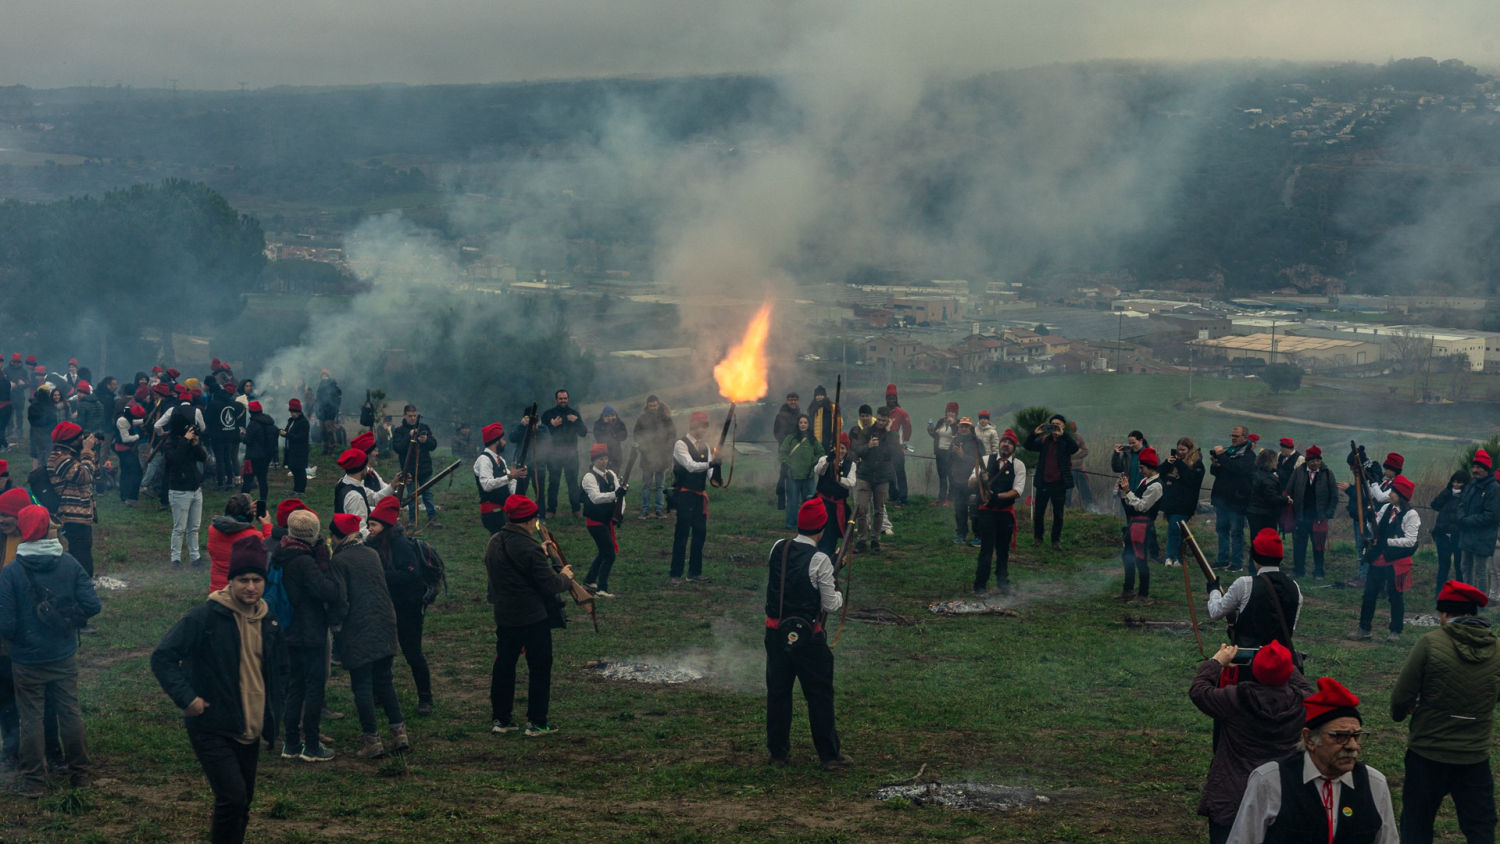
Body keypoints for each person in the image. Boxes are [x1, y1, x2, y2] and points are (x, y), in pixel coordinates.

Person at [150, 536, 284, 843]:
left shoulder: (269, 621)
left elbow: (280, 671)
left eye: (257, 580)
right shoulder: (205, 618)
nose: (250, 587)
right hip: (212, 725)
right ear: (231, 581)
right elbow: (163, 657)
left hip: (249, 727)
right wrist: (188, 699)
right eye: (243, 580)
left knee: (242, 803)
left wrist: (277, 709)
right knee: (232, 799)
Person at [0, 504, 100, 796]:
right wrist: (68, 618)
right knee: (70, 713)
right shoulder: (69, 563)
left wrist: (23, 638)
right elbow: (93, 605)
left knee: (30, 717)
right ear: (48, 528)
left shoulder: (11, 572)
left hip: (26, 659)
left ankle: (34, 782)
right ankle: (80, 774)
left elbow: (4, 625)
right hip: (63, 654)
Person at [1391, 580, 1500, 844]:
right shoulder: (1497, 648)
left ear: (1445, 614)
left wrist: (1401, 713)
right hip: (1474, 756)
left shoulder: (1430, 643)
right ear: (1473, 613)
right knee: (1480, 828)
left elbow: (1402, 696)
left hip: (1428, 751)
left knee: (1417, 823)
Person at [1227, 676, 1397, 844]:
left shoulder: (1374, 784)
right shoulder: (1270, 781)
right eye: (1340, 736)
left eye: (1357, 736)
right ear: (1309, 739)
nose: (1352, 746)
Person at [1189, 640, 1313, 844]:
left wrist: (1216, 662)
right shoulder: (1303, 703)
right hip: (1283, 796)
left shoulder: (1235, 698)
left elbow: (1199, 691)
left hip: (1233, 797)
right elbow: (1305, 687)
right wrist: (1281, 663)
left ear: (1255, 669)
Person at [764, 498, 850, 770]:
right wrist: (835, 581)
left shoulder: (778, 547)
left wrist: (830, 567)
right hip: (809, 639)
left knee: (778, 693)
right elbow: (831, 605)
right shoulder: (820, 560)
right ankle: (829, 755)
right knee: (819, 695)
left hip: (776, 633)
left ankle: (778, 753)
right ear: (821, 528)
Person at [486, 496, 572, 736]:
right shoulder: (529, 548)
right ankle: (538, 722)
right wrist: (565, 575)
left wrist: (540, 555)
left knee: (504, 666)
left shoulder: (494, 541)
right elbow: (551, 584)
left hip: (504, 614)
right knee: (539, 668)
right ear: (529, 521)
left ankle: (501, 719)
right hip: (532, 618)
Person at [327, 514, 408, 760]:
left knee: (362, 686)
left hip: (358, 628)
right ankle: (399, 733)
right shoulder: (371, 554)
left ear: (338, 536)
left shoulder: (339, 561)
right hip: (385, 623)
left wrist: (334, 624)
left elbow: (341, 600)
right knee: (384, 681)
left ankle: (372, 741)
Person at [274, 509, 342, 763]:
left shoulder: (281, 553)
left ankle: (291, 743)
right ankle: (311, 745)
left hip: (288, 630)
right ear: (312, 534)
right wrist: (325, 566)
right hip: (309, 631)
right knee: (313, 689)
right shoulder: (304, 562)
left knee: (295, 687)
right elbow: (328, 591)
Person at [365, 496, 435, 717]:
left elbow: (410, 576)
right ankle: (379, 693)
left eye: (373, 524)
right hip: (385, 607)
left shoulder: (401, 546)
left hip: (408, 609)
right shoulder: (373, 544)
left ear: (385, 526)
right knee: (380, 653)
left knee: (413, 653)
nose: (370, 528)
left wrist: (380, 575)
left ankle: (425, 698)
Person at [1350, 473, 1421, 642]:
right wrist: (1368, 518)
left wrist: (1387, 541)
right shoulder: (1385, 508)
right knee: (1369, 594)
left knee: (1395, 596)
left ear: (1401, 496)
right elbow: (1375, 527)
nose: (1389, 494)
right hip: (1379, 559)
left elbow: (1411, 541)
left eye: (1393, 492)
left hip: (1397, 562)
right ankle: (1364, 628)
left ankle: (1395, 631)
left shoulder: (1412, 515)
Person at [1208, 529, 1303, 654]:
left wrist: (1214, 590)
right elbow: (1290, 627)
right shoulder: (1295, 588)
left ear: (1255, 557)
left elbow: (1216, 612)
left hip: (1247, 664)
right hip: (1280, 663)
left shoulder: (1244, 584)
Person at [973, 429, 1026, 596]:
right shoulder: (985, 460)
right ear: (1000, 443)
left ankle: (1003, 585)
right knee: (986, 550)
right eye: (1004, 441)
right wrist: (981, 479)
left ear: (1013, 448)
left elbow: (1017, 491)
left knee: (1003, 551)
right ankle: (980, 586)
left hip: (1004, 514)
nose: (1006, 444)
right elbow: (970, 482)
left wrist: (996, 496)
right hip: (987, 513)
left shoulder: (1018, 465)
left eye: (1010, 443)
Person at [669, 411, 717, 584]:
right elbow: (690, 466)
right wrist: (710, 464)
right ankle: (675, 573)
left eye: (705, 426)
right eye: (700, 426)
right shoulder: (680, 444)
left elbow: (710, 473)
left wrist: (716, 473)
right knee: (682, 535)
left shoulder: (706, 446)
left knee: (700, 533)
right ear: (693, 426)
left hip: (699, 496)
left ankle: (694, 573)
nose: (703, 430)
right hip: (684, 494)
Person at [46, 422, 98, 577]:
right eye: (80, 438)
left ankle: (83, 583)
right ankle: (81, 585)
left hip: (80, 513)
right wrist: (87, 451)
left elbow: (95, 475)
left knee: (84, 551)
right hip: (71, 514)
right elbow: (84, 476)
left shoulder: (71, 456)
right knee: (80, 555)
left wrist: (91, 452)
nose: (83, 440)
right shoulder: (58, 458)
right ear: (72, 440)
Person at [1025, 413, 1079, 551]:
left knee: (1058, 514)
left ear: (1063, 426)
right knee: (1038, 513)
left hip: (1059, 483)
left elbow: (1074, 449)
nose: (1055, 426)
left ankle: (1055, 540)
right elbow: (1028, 445)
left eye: (1058, 424)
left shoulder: (1066, 441)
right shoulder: (1044, 440)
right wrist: (1034, 433)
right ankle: (1038, 538)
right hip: (1043, 482)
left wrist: (1063, 435)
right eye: (1053, 424)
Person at [1116, 447, 1163, 601]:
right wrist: (1124, 491)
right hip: (1134, 524)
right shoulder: (1145, 480)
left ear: (1150, 467)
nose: (1140, 470)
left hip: (1144, 526)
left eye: (1142, 467)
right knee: (1127, 557)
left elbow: (1143, 506)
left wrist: (1128, 491)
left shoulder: (1156, 486)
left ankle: (1143, 594)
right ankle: (1128, 590)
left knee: (1140, 559)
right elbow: (1133, 500)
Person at [165, 412, 209, 569]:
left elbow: (203, 458)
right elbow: (175, 460)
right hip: (179, 490)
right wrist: (185, 440)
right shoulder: (170, 442)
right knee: (179, 528)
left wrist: (195, 444)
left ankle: (195, 557)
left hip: (195, 488)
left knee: (194, 527)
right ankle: (175, 559)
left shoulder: (190, 441)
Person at [580, 444, 625, 597]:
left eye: (605, 458)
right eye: (600, 459)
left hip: (607, 520)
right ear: (593, 461)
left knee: (603, 552)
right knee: (609, 554)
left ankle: (590, 580)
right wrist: (615, 495)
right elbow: (596, 498)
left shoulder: (611, 474)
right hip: (595, 521)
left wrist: (620, 514)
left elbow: (621, 496)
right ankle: (601, 589)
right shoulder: (589, 477)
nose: (604, 461)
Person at [1287, 445, 1337, 580]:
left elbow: (1334, 496)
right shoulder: (1298, 472)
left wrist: (1328, 513)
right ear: (1307, 461)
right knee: (1299, 546)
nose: (1316, 463)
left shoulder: (1327, 473)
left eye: (1318, 460)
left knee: (1318, 547)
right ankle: (1299, 571)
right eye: (1313, 460)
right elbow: (1289, 490)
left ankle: (1319, 572)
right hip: (1301, 517)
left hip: (1318, 518)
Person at [849, 405, 895, 553]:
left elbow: (895, 452)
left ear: (888, 420)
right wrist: (868, 446)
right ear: (877, 417)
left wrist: (888, 434)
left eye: (884, 420)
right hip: (865, 475)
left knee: (879, 510)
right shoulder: (866, 432)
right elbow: (857, 451)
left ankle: (875, 540)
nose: (881, 422)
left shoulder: (891, 435)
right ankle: (862, 540)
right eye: (879, 419)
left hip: (882, 477)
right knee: (861, 508)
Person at [1210, 425, 1255, 572]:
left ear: (1245, 438)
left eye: (1236, 436)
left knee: (1236, 532)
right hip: (1222, 498)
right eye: (1232, 435)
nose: (1233, 438)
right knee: (1222, 530)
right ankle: (1222, 560)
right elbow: (1217, 472)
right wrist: (1216, 464)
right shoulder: (1229, 452)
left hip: (1237, 501)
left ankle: (1237, 563)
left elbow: (1238, 469)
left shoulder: (1249, 456)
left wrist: (1222, 457)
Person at [207, 494, 273, 593]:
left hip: (216, 590)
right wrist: (267, 526)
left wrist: (243, 508)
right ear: (247, 514)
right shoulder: (253, 536)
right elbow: (269, 552)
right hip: (239, 593)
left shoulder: (213, 529)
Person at [1457, 448, 1500, 599]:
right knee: (1465, 567)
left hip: (1483, 536)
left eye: (1478, 467)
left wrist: (1468, 521)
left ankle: (1480, 602)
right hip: (1467, 534)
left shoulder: (1494, 488)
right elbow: (1462, 503)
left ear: (1486, 469)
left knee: (1480, 571)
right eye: (1474, 467)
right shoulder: (1472, 485)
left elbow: (1492, 515)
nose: (1474, 470)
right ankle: (1468, 598)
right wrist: (1461, 517)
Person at [537, 390, 587, 519]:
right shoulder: (548, 414)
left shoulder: (574, 414)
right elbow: (542, 435)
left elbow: (583, 432)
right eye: (560, 398)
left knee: (573, 483)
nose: (563, 400)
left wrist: (576, 421)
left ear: (568, 399)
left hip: (571, 454)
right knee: (553, 483)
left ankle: (576, 510)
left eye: (565, 398)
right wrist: (551, 425)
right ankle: (551, 510)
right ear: (556, 400)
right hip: (554, 455)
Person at [1160, 437, 1205, 568]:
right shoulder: (1173, 462)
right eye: (1178, 449)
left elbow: (1191, 480)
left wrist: (1179, 463)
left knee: (1174, 529)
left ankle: (1170, 556)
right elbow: (1159, 474)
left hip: (1185, 504)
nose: (1180, 452)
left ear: (1190, 449)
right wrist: (1167, 464)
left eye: (1183, 450)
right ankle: (1178, 558)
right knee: (1179, 532)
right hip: (1171, 502)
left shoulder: (1197, 465)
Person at [392, 404, 440, 526]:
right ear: (404, 416)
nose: (413, 418)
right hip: (409, 470)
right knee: (412, 497)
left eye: (414, 416)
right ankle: (413, 521)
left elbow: (433, 445)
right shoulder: (399, 431)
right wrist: (409, 436)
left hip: (425, 468)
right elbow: (398, 448)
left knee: (428, 495)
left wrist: (426, 440)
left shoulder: (424, 427)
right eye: (410, 416)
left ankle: (432, 519)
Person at [474, 422, 524, 535]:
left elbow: (510, 482)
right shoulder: (484, 460)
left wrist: (517, 480)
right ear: (496, 441)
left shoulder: (501, 460)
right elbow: (486, 485)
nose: (505, 442)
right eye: (503, 439)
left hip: (503, 510)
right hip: (492, 512)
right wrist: (510, 476)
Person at [812, 433, 857, 558]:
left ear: (846, 450)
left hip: (837, 505)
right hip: (822, 502)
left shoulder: (851, 465)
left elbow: (852, 482)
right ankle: (816, 552)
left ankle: (828, 555)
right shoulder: (825, 459)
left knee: (831, 532)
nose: (840, 451)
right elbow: (818, 471)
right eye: (838, 447)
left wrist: (840, 480)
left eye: (843, 448)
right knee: (819, 528)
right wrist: (828, 460)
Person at [333, 447, 395, 537]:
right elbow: (360, 531)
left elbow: (374, 498)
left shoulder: (344, 482)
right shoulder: (355, 497)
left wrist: (393, 485)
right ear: (362, 468)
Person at [632, 396, 674, 519]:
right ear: (647, 405)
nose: (653, 408)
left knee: (660, 486)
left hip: (662, 456)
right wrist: (643, 447)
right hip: (647, 456)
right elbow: (636, 434)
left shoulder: (666, 418)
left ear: (658, 404)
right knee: (646, 485)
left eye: (655, 405)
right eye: (651, 406)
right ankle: (645, 509)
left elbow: (672, 434)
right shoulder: (642, 419)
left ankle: (659, 509)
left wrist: (667, 449)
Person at [1429, 470, 1468, 593]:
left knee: (1459, 567)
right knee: (1443, 567)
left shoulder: (1467, 497)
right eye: (1454, 482)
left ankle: (1460, 594)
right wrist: (1446, 492)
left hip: (1459, 537)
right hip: (1443, 535)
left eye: (1459, 482)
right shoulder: (1447, 494)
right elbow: (1434, 505)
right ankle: (1439, 594)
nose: (1456, 485)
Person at [779, 415, 819, 531]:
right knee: (792, 501)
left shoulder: (812, 439)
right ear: (797, 424)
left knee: (809, 502)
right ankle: (791, 524)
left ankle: (808, 524)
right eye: (801, 422)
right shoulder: (790, 439)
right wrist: (789, 464)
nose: (803, 425)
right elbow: (782, 453)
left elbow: (820, 452)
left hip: (808, 475)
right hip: (793, 475)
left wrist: (813, 462)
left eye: (805, 422)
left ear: (809, 424)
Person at [946, 416, 981, 546]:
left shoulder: (977, 442)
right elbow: (948, 459)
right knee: (959, 509)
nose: (964, 428)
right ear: (958, 427)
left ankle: (978, 535)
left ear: (971, 428)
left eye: (967, 426)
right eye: (962, 426)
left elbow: (980, 461)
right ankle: (961, 533)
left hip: (972, 480)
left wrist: (962, 455)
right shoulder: (955, 440)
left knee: (975, 509)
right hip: (957, 480)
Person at [1246, 447, 1290, 539]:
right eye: (1275, 460)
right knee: (1267, 541)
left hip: (1253, 512)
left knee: (1255, 539)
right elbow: (1272, 498)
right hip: (1266, 515)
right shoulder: (1269, 479)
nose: (1277, 462)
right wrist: (1285, 500)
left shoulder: (1254, 473)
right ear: (1270, 461)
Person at [240, 401, 277, 503]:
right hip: (266, 457)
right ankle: (263, 501)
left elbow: (247, 440)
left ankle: (243, 502)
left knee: (247, 480)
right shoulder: (270, 423)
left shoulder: (253, 424)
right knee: (262, 480)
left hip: (252, 458)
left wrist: (242, 434)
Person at [772, 392, 801, 510]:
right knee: (784, 474)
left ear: (798, 401)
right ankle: (781, 501)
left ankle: (793, 500)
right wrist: (786, 444)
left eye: (795, 399)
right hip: (784, 449)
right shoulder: (780, 415)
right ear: (787, 401)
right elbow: (776, 432)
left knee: (795, 475)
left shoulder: (800, 415)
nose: (793, 402)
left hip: (797, 450)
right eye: (790, 400)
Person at [926, 402, 958, 505]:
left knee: (951, 476)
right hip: (940, 452)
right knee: (942, 476)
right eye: (949, 411)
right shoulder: (941, 422)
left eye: (953, 412)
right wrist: (930, 431)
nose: (950, 414)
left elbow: (957, 436)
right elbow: (935, 435)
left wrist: (952, 424)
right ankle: (941, 498)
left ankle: (950, 499)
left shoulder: (958, 423)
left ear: (956, 413)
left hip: (951, 454)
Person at [115, 401, 146, 505]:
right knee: (136, 473)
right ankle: (131, 498)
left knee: (126, 473)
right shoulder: (122, 421)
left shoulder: (126, 417)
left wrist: (144, 421)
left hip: (125, 450)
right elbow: (125, 438)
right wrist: (138, 436)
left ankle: (125, 497)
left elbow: (134, 421)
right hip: (124, 450)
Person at [280, 399, 310, 495]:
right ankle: (296, 489)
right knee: (294, 469)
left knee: (300, 470)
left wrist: (287, 434)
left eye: (294, 412)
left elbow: (301, 437)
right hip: (291, 450)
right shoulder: (291, 420)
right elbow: (288, 431)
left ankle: (301, 490)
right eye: (292, 412)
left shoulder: (303, 422)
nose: (293, 414)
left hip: (300, 450)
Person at [806, 386, 842, 456]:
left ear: (825, 396)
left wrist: (834, 436)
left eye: (821, 395)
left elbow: (839, 423)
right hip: (815, 441)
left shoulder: (832, 407)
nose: (819, 397)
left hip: (829, 440)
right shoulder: (812, 409)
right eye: (817, 395)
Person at [314, 370, 342, 456]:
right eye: (322, 375)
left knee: (329, 431)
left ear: (328, 376)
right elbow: (318, 399)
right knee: (323, 431)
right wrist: (317, 411)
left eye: (325, 375)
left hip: (330, 413)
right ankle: (325, 449)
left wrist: (333, 411)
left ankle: (332, 449)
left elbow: (337, 399)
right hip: (322, 413)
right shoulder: (320, 385)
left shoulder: (333, 385)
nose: (324, 377)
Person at [1067, 421, 1093, 509]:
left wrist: (1075, 456)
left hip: (1079, 469)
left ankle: (1090, 509)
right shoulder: (1063, 438)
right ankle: (1066, 510)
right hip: (1068, 471)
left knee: (1086, 491)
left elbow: (1086, 451)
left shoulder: (1078, 437)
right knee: (1067, 492)